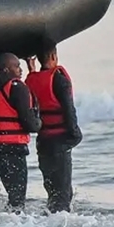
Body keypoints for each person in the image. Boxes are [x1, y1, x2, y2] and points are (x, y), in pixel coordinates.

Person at [25, 39, 82, 213]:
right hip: (60, 140)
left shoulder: (31, 80)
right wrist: (75, 135)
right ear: (53, 56)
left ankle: (49, 223)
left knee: (52, 192)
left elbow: (37, 85)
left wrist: (31, 69)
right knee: (63, 194)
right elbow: (68, 109)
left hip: (43, 142)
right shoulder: (59, 80)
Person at [0, 53, 42, 212]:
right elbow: (29, 123)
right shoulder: (17, 87)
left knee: (13, 193)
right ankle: (13, 224)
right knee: (18, 198)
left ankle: (7, 221)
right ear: (6, 69)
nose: (20, 70)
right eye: (16, 66)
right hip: (13, 147)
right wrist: (39, 123)